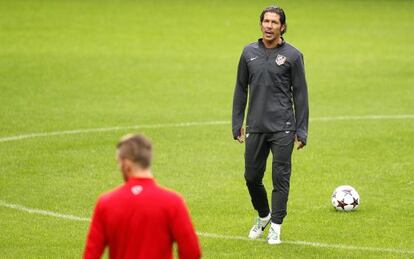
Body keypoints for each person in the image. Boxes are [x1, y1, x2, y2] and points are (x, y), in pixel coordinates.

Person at [232, 6, 309, 245]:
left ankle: (276, 225)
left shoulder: (293, 56)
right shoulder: (248, 53)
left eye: (274, 22)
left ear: (282, 27)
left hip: (283, 127)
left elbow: (301, 94)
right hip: (255, 125)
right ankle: (263, 215)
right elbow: (240, 88)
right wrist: (237, 122)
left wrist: (301, 129)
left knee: (280, 178)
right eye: (266, 21)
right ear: (261, 24)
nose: (269, 26)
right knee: (251, 177)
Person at [83, 134, 201, 259]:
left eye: (118, 162)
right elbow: (192, 252)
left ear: (126, 163)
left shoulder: (106, 203)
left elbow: (91, 255)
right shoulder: (172, 202)